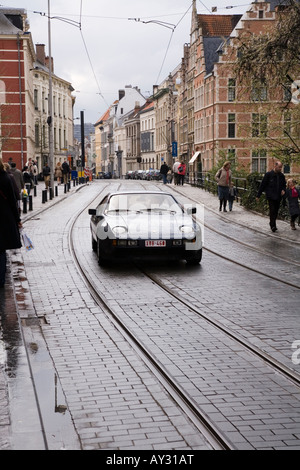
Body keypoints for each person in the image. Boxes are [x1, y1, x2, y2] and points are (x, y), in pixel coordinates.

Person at [0, 158, 22, 287]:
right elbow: (12, 201)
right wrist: (17, 219)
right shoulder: (5, 178)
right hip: (4, 217)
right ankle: (1, 280)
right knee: (1, 250)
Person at [256, 161, 286, 232]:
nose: (280, 169)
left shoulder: (281, 176)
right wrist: (258, 195)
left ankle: (272, 222)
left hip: (278, 196)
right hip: (271, 196)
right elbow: (263, 185)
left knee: (276, 211)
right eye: (279, 167)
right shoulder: (268, 175)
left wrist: (283, 190)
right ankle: (273, 225)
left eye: (281, 167)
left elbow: (284, 185)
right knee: (272, 210)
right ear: (275, 166)